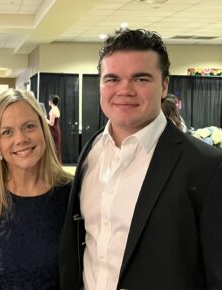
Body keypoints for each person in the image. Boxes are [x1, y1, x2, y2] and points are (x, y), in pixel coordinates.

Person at [59, 28, 222, 290]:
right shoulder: (91, 153)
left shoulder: (207, 167)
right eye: (112, 79)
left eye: (140, 79)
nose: (125, 90)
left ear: (165, 85)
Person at [0, 88, 72, 289]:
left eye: (29, 126)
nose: (21, 139)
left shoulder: (73, 196)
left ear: (43, 129)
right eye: (7, 132)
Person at [46, 94, 62, 162]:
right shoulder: (57, 109)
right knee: (56, 147)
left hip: (53, 130)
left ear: (51, 101)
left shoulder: (53, 110)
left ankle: (54, 164)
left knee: (54, 147)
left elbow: (51, 123)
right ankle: (57, 163)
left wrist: (44, 119)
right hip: (56, 130)